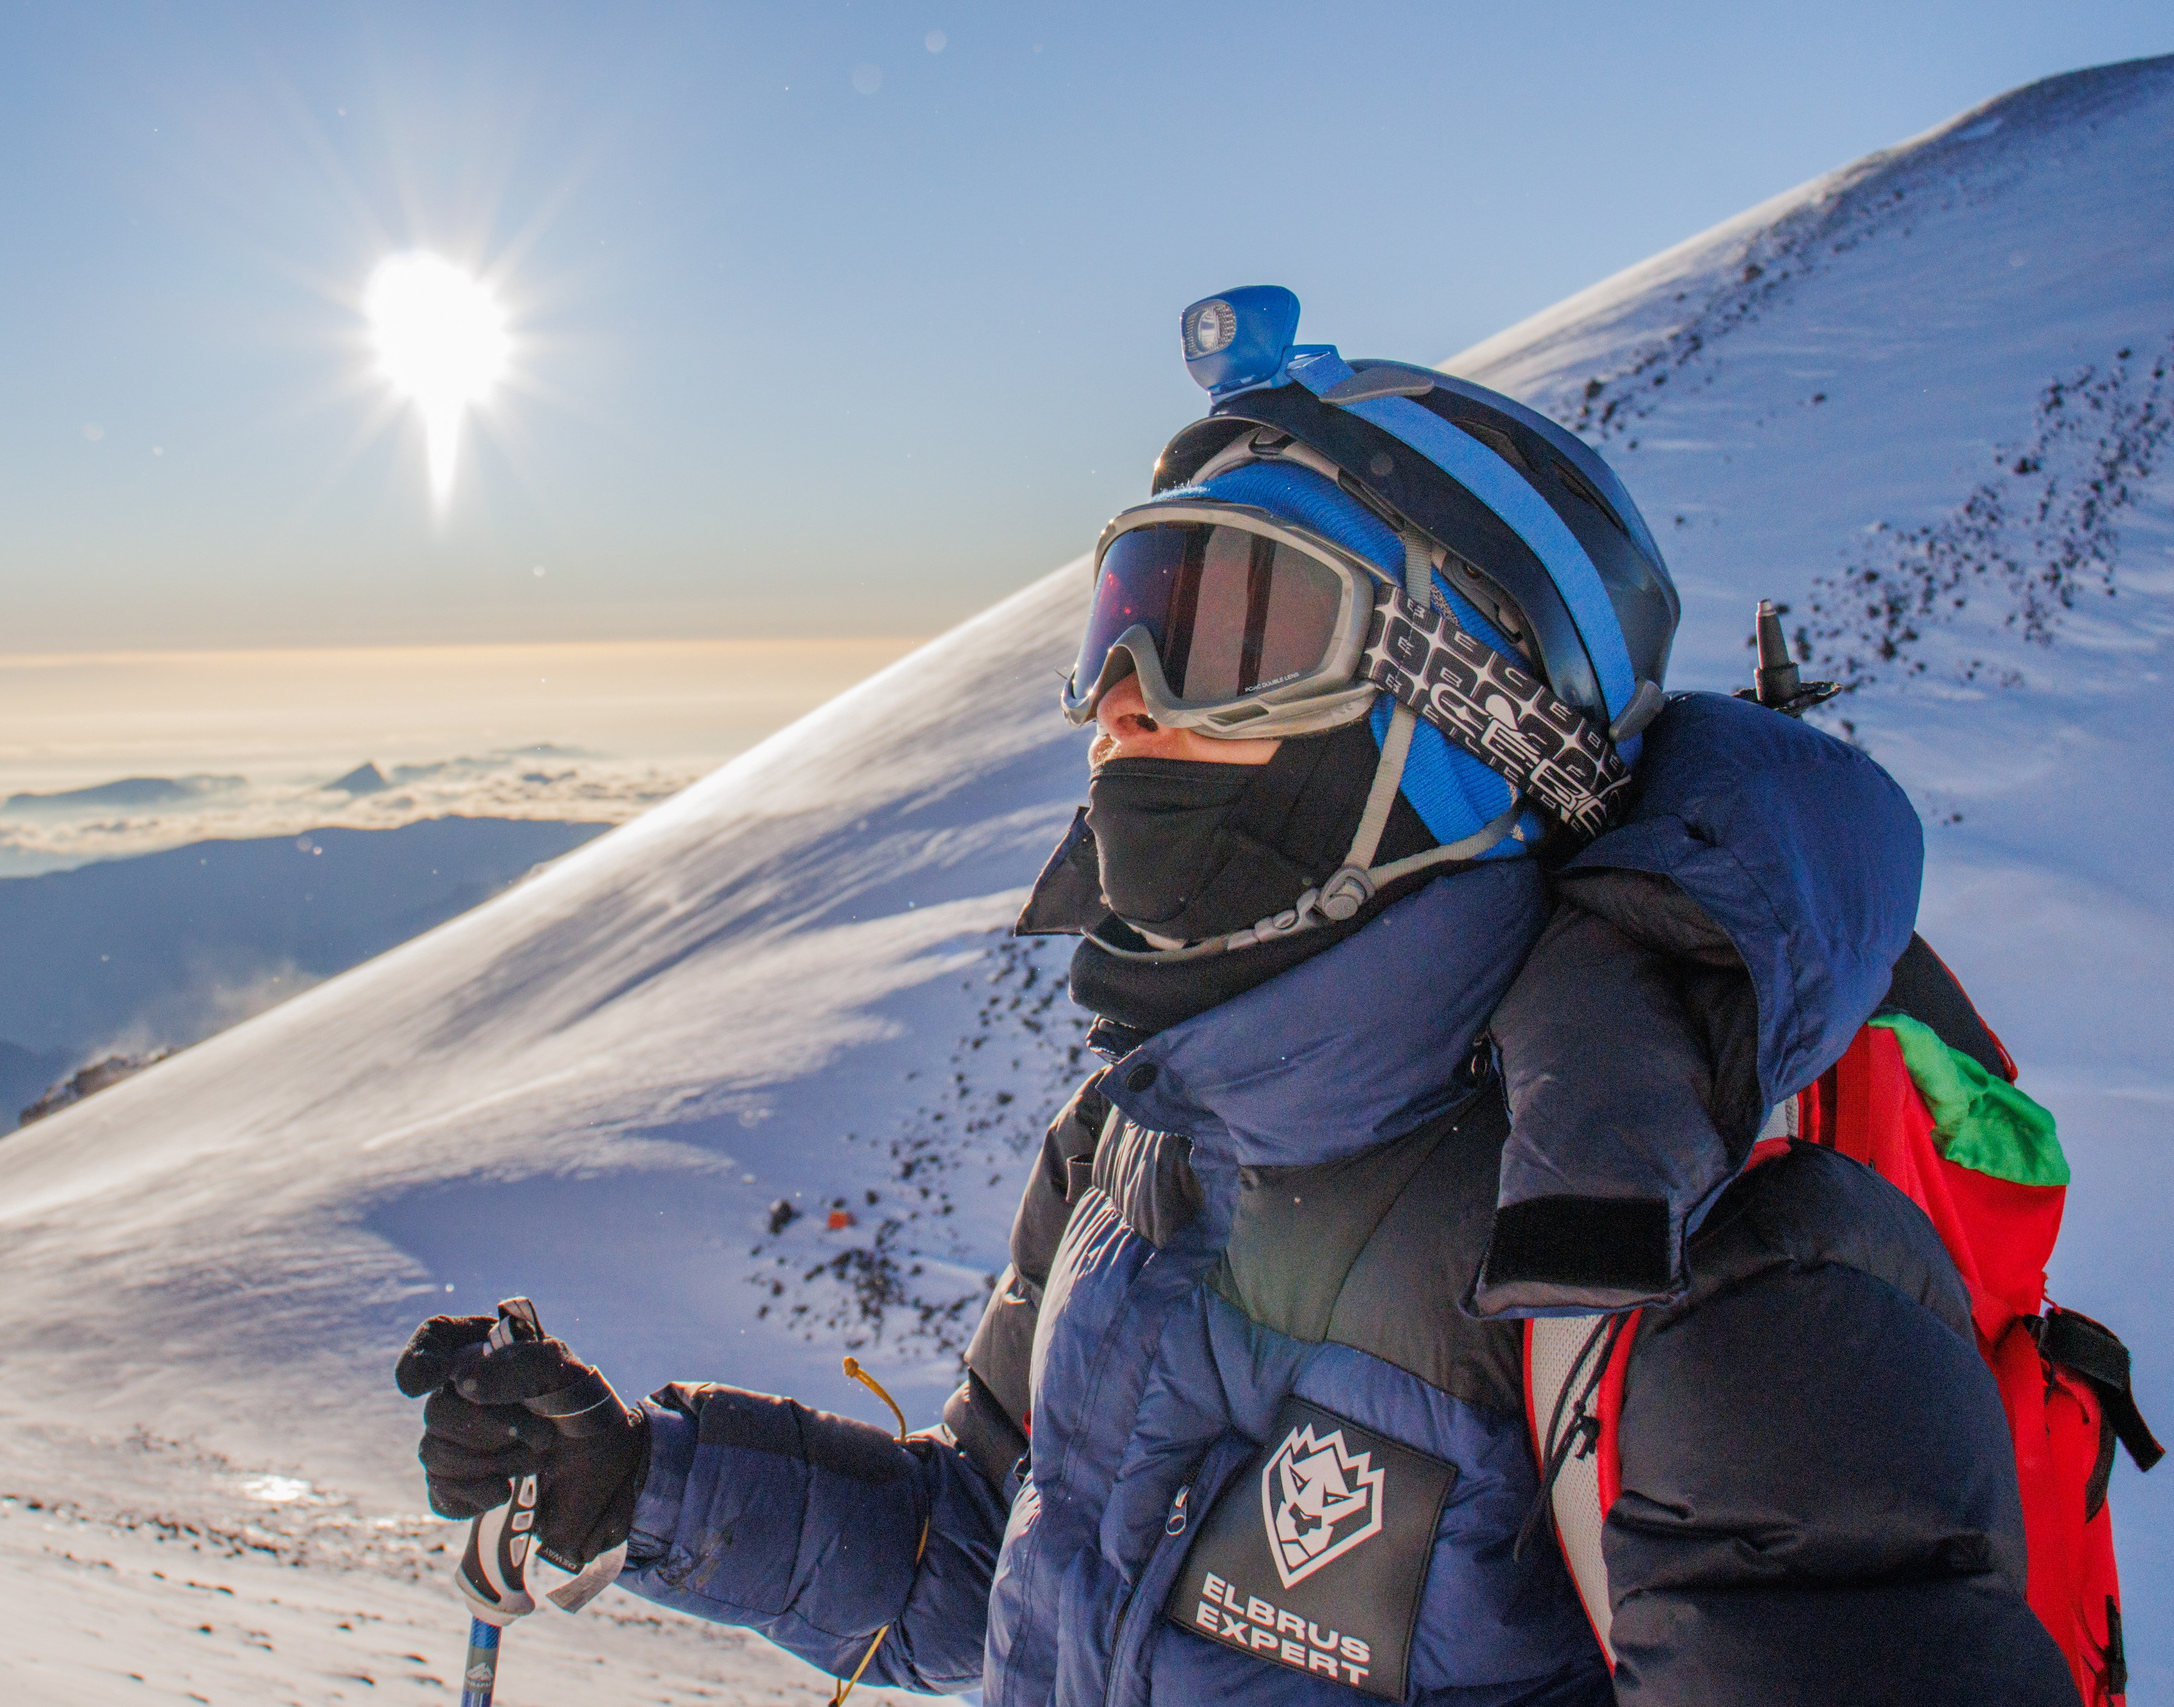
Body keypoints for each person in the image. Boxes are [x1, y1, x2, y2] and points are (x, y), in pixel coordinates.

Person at [394, 290, 2080, 1704]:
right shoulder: (1131, 1146)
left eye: (1226, 632)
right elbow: (1000, 1560)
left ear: (1465, 729)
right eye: (1122, 620)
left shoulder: (1688, 1261)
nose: (1123, 703)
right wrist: (642, 1485)